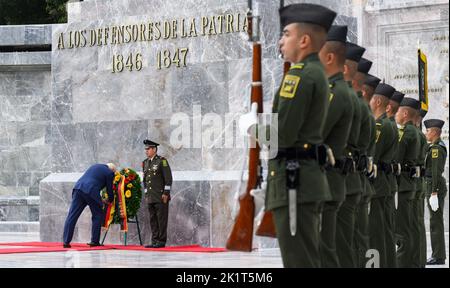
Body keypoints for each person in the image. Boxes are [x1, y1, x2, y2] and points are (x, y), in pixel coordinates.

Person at [239, 3, 336, 267]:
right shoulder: (312, 73)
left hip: (295, 184)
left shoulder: (301, 77)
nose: (281, 41)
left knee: (299, 261)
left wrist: (252, 127)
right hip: (299, 181)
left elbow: (283, 135)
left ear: (304, 40)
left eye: (286, 34)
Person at [318, 25, 354, 268]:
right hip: (331, 181)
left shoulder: (334, 92)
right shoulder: (339, 91)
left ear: (329, 57)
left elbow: (312, 131)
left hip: (326, 182)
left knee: (325, 251)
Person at [335, 41, 365, 268]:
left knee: (339, 246)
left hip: (338, 180)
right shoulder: (358, 102)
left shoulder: (341, 96)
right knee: (349, 243)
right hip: (352, 179)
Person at [368, 83, 397, 267]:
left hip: (377, 186)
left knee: (376, 234)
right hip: (385, 185)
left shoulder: (380, 126)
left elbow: (373, 154)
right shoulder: (390, 124)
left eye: (371, 98)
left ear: (377, 101)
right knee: (386, 232)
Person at [394, 97, 421, 268]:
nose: (396, 115)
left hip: (403, 184)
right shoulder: (416, 132)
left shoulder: (406, 133)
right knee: (409, 228)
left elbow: (396, 157)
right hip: (409, 184)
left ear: (404, 113)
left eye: (398, 112)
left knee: (402, 232)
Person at [62, 163, 116, 248]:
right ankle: (94, 241)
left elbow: (93, 180)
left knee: (72, 215)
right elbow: (109, 189)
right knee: (97, 215)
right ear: (112, 170)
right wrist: (111, 200)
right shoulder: (109, 173)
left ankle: (66, 241)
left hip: (78, 188)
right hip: (91, 191)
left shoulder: (94, 166)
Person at [424, 119, 447, 265]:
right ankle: (438, 255)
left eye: (427, 131)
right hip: (433, 186)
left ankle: (438, 256)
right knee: (435, 221)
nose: (426, 133)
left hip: (434, 187)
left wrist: (434, 193)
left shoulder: (436, 149)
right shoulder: (434, 146)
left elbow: (436, 172)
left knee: (435, 222)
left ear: (434, 132)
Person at [142, 139, 173, 248]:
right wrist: (146, 194)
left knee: (161, 219)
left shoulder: (161, 161)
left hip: (161, 196)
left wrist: (166, 193)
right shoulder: (145, 163)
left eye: (148, 149)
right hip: (151, 196)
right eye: (145, 149)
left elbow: (168, 179)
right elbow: (145, 181)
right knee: (153, 219)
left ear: (154, 149)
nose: (146, 151)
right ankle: (154, 240)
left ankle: (161, 241)